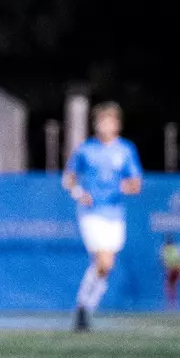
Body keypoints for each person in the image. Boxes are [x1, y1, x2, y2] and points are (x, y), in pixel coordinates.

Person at [63, 102, 144, 330]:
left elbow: (136, 184)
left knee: (105, 267)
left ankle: (84, 308)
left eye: (109, 121)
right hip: (91, 213)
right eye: (100, 121)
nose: (104, 125)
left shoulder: (125, 150)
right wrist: (79, 193)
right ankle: (84, 310)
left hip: (115, 213)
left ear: (117, 125)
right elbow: (69, 178)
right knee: (103, 260)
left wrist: (120, 187)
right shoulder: (86, 149)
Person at [161, 235, 180, 309]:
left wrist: (167, 268)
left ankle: (171, 303)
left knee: (169, 286)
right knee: (173, 286)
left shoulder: (165, 249)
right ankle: (173, 303)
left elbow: (165, 261)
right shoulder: (175, 248)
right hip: (176, 268)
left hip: (171, 269)